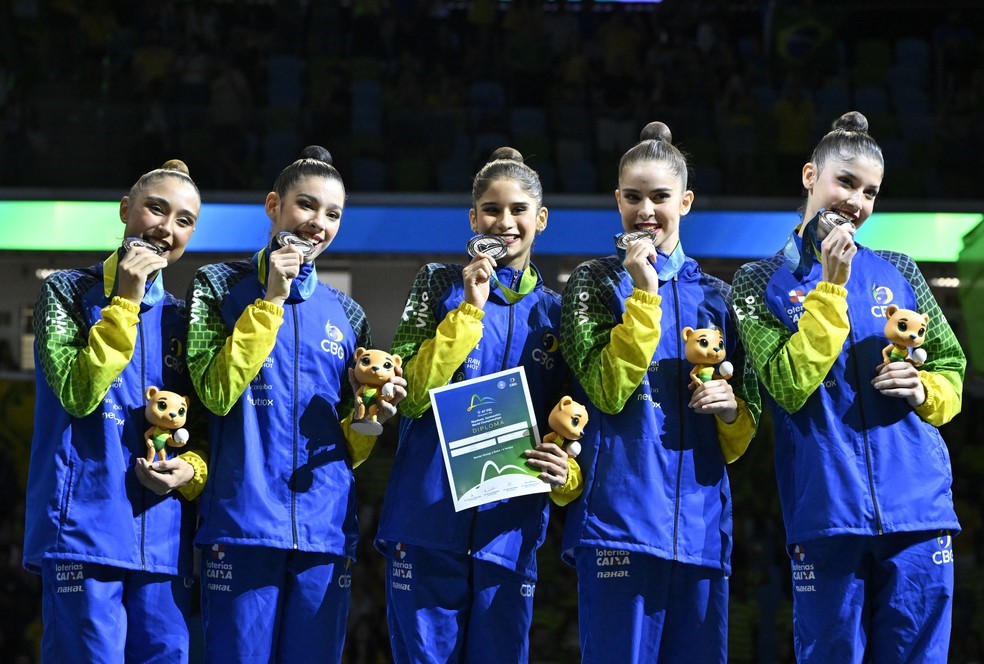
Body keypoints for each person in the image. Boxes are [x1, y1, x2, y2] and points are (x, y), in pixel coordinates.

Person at [731, 111, 965, 662]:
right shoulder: (758, 282)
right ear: (811, 176)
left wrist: (923, 387)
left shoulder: (900, 269)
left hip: (920, 511)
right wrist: (831, 289)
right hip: (827, 512)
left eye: (870, 192)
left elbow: (951, 367)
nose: (856, 202)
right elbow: (787, 385)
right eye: (846, 182)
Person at [185, 145, 406, 663]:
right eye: (306, 206)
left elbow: (351, 449)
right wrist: (271, 300)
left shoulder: (347, 312)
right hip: (241, 524)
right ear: (273, 206)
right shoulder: (218, 285)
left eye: (333, 214)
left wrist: (369, 419)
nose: (318, 224)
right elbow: (215, 393)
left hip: (324, 530)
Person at [559, 121, 760, 663]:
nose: (646, 211)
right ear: (616, 201)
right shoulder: (593, 283)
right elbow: (605, 390)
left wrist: (730, 409)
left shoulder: (719, 297)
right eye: (633, 197)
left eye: (660, 197)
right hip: (617, 526)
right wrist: (644, 296)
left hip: (700, 530)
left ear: (686, 202)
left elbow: (744, 432)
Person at [375, 147, 580, 663]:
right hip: (425, 522)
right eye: (491, 209)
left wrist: (567, 474)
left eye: (518, 211)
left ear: (542, 219)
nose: (504, 222)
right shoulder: (436, 284)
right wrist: (469, 311)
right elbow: (412, 395)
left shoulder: (558, 315)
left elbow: (574, 424)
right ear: (473, 218)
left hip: (507, 532)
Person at [23, 160, 207, 663]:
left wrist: (189, 469)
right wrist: (125, 300)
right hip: (83, 531)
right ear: (126, 209)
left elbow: (206, 432)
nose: (168, 229)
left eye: (184, 221)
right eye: (156, 209)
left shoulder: (185, 319)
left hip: (165, 543)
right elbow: (77, 394)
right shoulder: (64, 292)